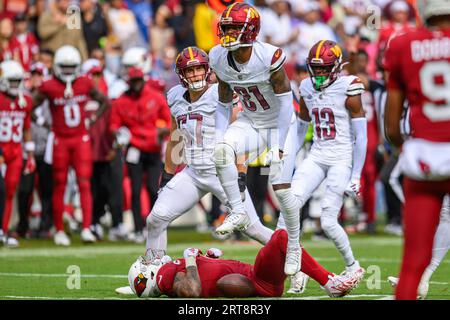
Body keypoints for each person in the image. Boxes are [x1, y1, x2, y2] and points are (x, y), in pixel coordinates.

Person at [209, 2, 302, 276]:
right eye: (225, 28)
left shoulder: (268, 56)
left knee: (281, 188)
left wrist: (280, 144)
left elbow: (287, 103)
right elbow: (224, 101)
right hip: (251, 121)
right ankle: (237, 210)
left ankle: (294, 246)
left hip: (280, 123)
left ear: (249, 31)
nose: (227, 33)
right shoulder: (218, 56)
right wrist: (217, 136)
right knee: (222, 151)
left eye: (234, 28)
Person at [383, 0, 450, 300]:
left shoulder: (402, 45)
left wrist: (404, 148)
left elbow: (392, 126)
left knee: (411, 264)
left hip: (423, 157)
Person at [292, 40, 367, 283]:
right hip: (317, 154)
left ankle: (353, 265)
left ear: (336, 66)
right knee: (290, 205)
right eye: (317, 68)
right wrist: (288, 158)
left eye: (325, 68)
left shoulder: (349, 86)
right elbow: (302, 126)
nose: (320, 73)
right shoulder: (306, 86)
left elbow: (361, 136)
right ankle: (295, 265)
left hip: (341, 157)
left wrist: (356, 176)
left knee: (327, 219)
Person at [127, 229, 361, 298]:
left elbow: (204, 279)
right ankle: (329, 282)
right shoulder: (166, 277)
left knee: (282, 240)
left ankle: (320, 277)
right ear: (147, 277)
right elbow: (193, 290)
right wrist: (190, 259)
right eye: (147, 264)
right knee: (281, 237)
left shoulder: (169, 274)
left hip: (258, 279)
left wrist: (207, 258)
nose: (152, 260)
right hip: (258, 281)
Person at [33, 45, 110, 246]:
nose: (68, 71)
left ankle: (86, 228)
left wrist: (90, 120)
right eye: (64, 67)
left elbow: (104, 101)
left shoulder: (84, 82)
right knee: (59, 185)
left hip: (80, 139)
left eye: (71, 67)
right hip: (60, 140)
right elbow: (31, 107)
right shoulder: (48, 86)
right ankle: (59, 230)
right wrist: (43, 123)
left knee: (84, 183)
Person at [109, 66, 170, 243]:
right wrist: (120, 133)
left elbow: (168, 121)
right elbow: (113, 124)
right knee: (135, 190)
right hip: (134, 148)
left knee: (153, 188)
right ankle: (138, 228)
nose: (136, 85)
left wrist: (162, 132)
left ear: (143, 80)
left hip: (152, 149)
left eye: (138, 81)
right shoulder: (121, 101)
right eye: (133, 81)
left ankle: (155, 226)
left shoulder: (155, 97)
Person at [0, 60, 35, 247]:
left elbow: (26, 128)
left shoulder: (25, 100)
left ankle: (3, 230)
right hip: (1, 150)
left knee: (10, 192)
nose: (15, 86)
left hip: (15, 151)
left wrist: (29, 155)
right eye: (12, 81)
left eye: (17, 81)